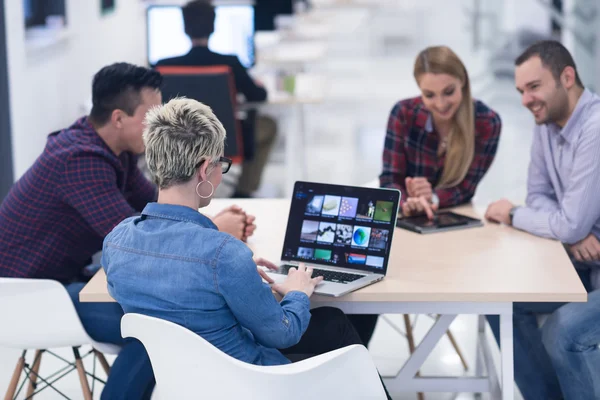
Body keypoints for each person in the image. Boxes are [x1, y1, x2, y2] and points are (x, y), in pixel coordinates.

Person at [102, 97, 390, 399]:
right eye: (220, 164)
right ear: (204, 170)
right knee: (334, 324)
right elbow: (283, 332)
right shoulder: (223, 253)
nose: (219, 172)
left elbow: (170, 288)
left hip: (183, 385)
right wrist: (296, 291)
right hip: (251, 385)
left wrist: (234, 280)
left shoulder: (117, 242)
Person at [0, 63, 255, 400]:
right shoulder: (79, 160)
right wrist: (214, 228)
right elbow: (139, 246)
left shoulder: (111, 151)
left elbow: (158, 207)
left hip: (62, 281)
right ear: (119, 118)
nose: (158, 125)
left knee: (164, 312)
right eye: (151, 115)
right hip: (25, 298)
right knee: (159, 319)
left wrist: (204, 216)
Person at [485, 40, 600, 400]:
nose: (525, 100)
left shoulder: (595, 128)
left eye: (533, 87)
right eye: (520, 91)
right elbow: (540, 197)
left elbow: (559, 218)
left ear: (567, 77)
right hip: (585, 260)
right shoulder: (547, 121)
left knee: (564, 332)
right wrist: (570, 231)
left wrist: (516, 213)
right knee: (499, 302)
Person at [155, 0, 278, 198]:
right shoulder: (230, 63)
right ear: (213, 27)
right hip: (224, 140)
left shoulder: (162, 66)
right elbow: (258, 96)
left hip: (178, 143)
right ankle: (243, 190)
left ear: (185, 28)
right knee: (269, 126)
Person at [380, 45, 502, 219]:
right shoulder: (402, 114)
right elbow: (390, 179)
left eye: (449, 92)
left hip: (453, 217)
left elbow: (466, 188)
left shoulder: (487, 123)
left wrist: (432, 198)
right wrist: (407, 203)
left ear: (463, 82)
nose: (440, 104)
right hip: (406, 217)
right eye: (429, 95)